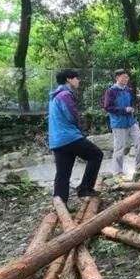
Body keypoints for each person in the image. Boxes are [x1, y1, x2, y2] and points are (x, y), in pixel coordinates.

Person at [48, 69, 103, 203]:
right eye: (76, 78)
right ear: (69, 79)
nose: (78, 81)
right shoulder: (65, 95)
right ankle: (85, 188)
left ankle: (60, 204)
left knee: (62, 174)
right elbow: (71, 116)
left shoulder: (55, 96)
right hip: (69, 137)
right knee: (96, 155)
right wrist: (80, 122)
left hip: (57, 140)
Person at [103, 69, 140, 180]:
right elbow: (108, 107)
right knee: (119, 148)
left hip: (131, 122)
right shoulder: (111, 91)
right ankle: (117, 173)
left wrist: (132, 109)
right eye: (123, 77)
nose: (126, 79)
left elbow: (132, 102)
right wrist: (124, 110)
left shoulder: (128, 90)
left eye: (127, 77)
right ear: (117, 78)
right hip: (118, 124)